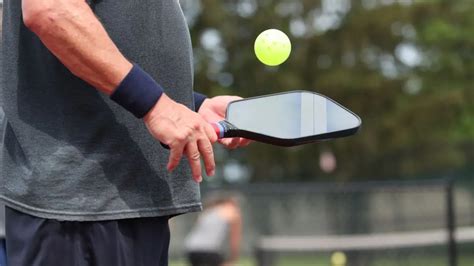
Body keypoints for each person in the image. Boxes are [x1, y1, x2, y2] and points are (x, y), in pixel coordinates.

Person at [0, 0, 249, 265]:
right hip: (80, 205)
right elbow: (51, 10)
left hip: (122, 199)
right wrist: (156, 105)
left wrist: (190, 106)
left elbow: (121, 39)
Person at [185, 194, 242, 266]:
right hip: (209, 249)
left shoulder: (209, 211)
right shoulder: (232, 212)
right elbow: (235, 238)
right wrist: (234, 257)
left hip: (191, 248)